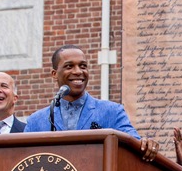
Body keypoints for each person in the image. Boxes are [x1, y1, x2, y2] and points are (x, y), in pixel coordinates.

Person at [24, 45, 159, 161]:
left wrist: (145, 144)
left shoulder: (112, 112)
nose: (78, 71)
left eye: (83, 66)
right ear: (54, 74)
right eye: (69, 66)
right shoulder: (35, 121)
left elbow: (135, 144)